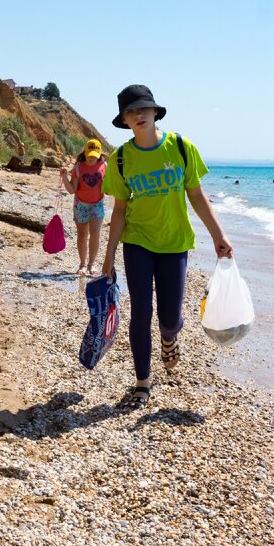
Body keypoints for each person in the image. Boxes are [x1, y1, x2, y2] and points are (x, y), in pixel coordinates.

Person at [99, 85, 233, 408]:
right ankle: (143, 382)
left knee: (170, 317)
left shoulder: (181, 148)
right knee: (141, 312)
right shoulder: (120, 160)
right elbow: (118, 211)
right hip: (138, 243)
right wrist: (108, 257)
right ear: (125, 121)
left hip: (175, 243)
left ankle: (169, 338)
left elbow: (197, 195)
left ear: (155, 111)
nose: (138, 115)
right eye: (131, 112)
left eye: (143, 108)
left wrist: (218, 235)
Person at [58, 139, 107, 274]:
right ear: (85, 152)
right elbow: (71, 190)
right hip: (81, 204)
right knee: (82, 234)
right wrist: (64, 178)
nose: (92, 158)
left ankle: (92, 264)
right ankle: (82, 265)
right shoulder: (79, 168)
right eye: (90, 154)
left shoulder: (104, 166)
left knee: (95, 232)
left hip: (97, 203)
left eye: (95, 155)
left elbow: (108, 188)